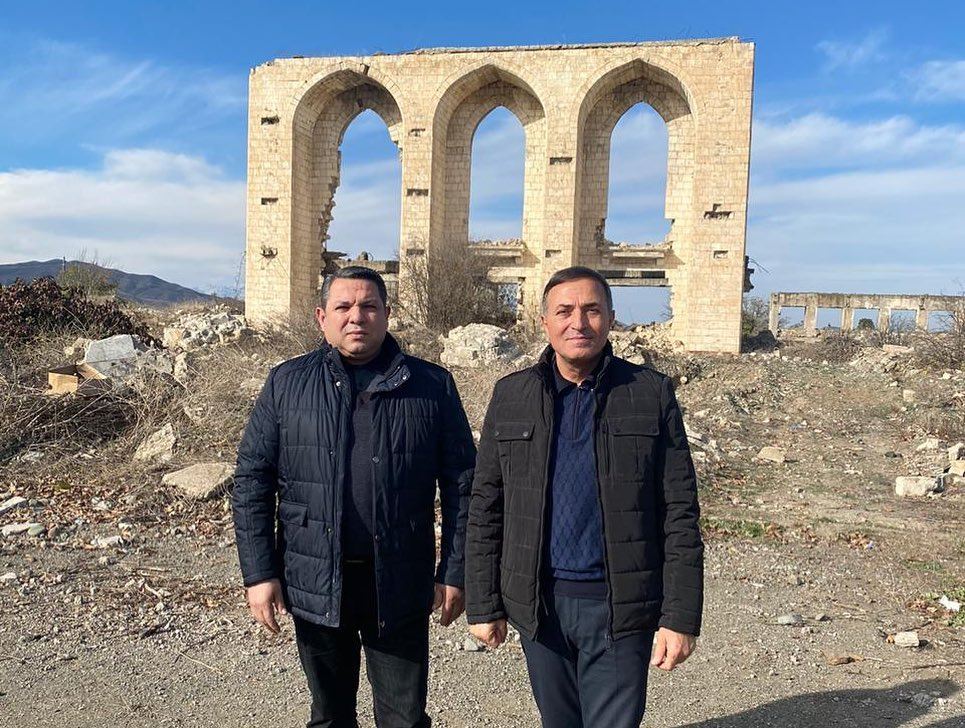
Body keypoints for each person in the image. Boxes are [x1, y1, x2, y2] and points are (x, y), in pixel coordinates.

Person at [233, 266, 476, 728]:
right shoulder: (286, 383)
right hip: (315, 577)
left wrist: (455, 571)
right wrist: (260, 573)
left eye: (368, 306)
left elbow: (464, 486)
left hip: (399, 579)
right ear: (321, 317)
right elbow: (252, 482)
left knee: (404, 718)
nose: (356, 317)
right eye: (343, 306)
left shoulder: (431, 385)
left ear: (387, 313)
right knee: (330, 715)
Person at [465, 266, 703, 728]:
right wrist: (484, 602)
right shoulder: (511, 395)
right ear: (544, 322)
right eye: (565, 311)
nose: (579, 322)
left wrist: (680, 616)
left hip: (620, 606)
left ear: (611, 318)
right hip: (539, 607)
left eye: (592, 310)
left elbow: (679, 512)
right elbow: (486, 506)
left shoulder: (649, 393)